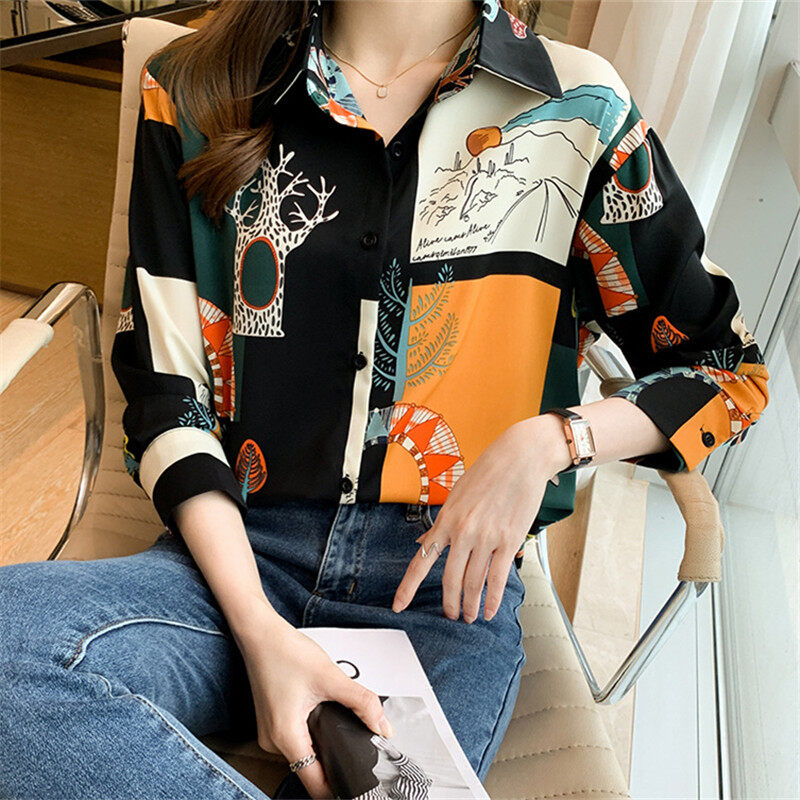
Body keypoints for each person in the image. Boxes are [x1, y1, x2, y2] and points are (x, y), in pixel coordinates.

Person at [0, 1, 769, 798]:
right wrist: (259, 632)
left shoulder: (581, 110)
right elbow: (168, 393)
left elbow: (727, 372)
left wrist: (550, 441)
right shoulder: (197, 90)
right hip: (234, 559)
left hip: (445, 592)